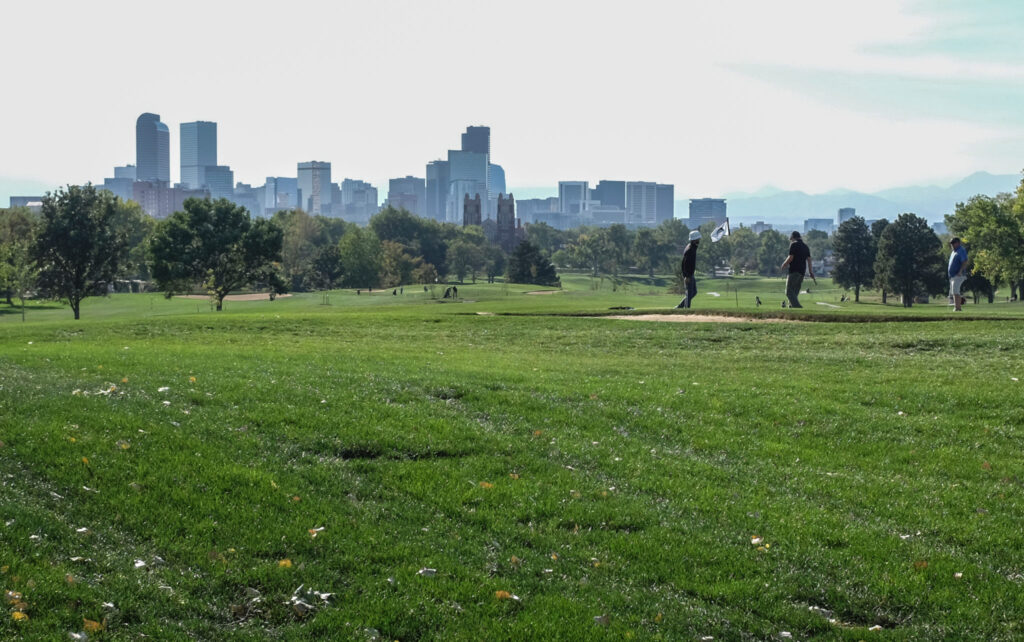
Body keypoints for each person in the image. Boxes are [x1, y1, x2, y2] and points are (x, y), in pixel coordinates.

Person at [780, 231, 814, 308]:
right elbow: (809, 260)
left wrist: (784, 264)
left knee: (788, 292)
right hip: (802, 272)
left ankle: (797, 307)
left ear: (793, 237)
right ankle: (791, 307)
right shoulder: (805, 246)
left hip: (794, 270)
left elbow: (791, 257)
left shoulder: (794, 244)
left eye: (791, 238)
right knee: (795, 292)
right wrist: (811, 272)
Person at [675, 231, 701, 308]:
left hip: (691, 274)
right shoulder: (689, 249)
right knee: (689, 293)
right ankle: (686, 309)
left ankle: (679, 307)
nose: (699, 240)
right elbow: (684, 264)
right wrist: (686, 276)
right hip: (688, 275)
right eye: (698, 239)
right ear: (694, 239)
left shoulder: (692, 247)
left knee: (694, 292)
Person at [948, 237, 968, 312]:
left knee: (955, 290)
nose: (952, 244)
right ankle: (957, 307)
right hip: (953, 275)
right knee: (954, 291)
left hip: (959, 274)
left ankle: (957, 308)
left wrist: (960, 271)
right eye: (951, 243)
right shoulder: (954, 252)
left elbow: (965, 261)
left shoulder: (961, 250)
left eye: (954, 243)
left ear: (958, 243)